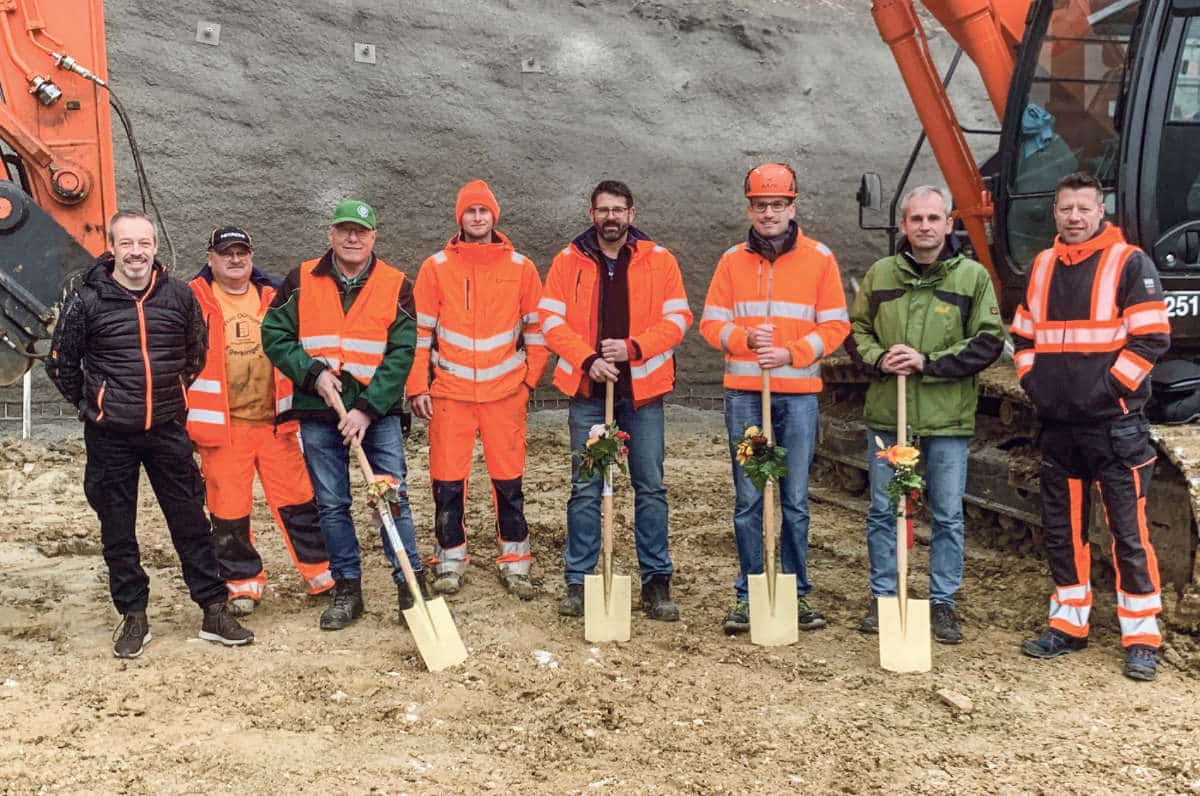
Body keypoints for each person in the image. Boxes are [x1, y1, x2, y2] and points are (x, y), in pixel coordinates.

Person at [46, 211, 254, 658]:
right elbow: (61, 362)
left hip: (166, 429)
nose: (136, 252)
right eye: (127, 244)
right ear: (113, 246)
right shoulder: (86, 299)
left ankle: (214, 609)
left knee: (192, 522)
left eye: (144, 243)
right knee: (117, 528)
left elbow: (195, 353)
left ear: (155, 246)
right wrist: (91, 404)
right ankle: (134, 614)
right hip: (110, 435)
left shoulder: (178, 296)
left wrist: (174, 392)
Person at [1011, 172, 1170, 681]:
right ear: (1054, 213)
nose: (1074, 217)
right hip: (1059, 426)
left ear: (1100, 211)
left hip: (1113, 427)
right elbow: (1023, 336)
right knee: (1063, 532)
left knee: (1129, 534)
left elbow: (1150, 341)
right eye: (1065, 209)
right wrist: (1037, 386)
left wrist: (1104, 394)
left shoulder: (1130, 263)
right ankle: (1068, 623)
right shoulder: (1041, 265)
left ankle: (1142, 635)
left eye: (1083, 208)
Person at [847, 186, 1004, 644]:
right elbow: (854, 331)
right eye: (916, 219)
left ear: (949, 223)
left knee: (949, 515)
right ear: (903, 225)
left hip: (947, 420)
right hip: (888, 418)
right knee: (883, 511)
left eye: (934, 218)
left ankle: (942, 603)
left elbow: (988, 341)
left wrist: (927, 363)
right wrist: (879, 358)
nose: (925, 227)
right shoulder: (880, 275)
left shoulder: (972, 278)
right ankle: (883, 596)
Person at [699, 163, 850, 635]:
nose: (769, 212)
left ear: (793, 205)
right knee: (748, 498)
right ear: (749, 207)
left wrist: (791, 351)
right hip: (746, 395)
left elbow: (836, 326)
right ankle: (748, 594)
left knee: (795, 499)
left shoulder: (819, 259)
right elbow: (710, 324)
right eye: (761, 205)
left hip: (798, 397)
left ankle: (796, 592)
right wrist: (746, 341)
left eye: (778, 204)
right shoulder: (731, 261)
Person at [262, 200, 425, 631]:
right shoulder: (301, 279)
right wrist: (311, 373)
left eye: (362, 231)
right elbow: (274, 334)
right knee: (332, 505)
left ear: (374, 237)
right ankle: (347, 589)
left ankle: (411, 587)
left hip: (379, 414)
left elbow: (402, 351)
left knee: (393, 498)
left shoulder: (396, 284)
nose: (353, 238)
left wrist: (367, 409)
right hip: (319, 411)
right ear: (330, 235)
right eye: (345, 230)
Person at [541, 179, 692, 621]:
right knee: (586, 489)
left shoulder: (659, 261)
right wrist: (588, 360)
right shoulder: (569, 261)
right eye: (603, 209)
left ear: (632, 213)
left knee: (650, 486)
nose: (611, 217)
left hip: (642, 394)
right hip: (590, 394)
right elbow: (550, 321)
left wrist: (634, 348)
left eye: (619, 209)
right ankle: (579, 581)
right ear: (592, 214)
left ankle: (656, 582)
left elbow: (678, 318)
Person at [406, 180, 549, 599]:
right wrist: (418, 387)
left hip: (505, 394)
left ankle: (516, 561)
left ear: (494, 217)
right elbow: (419, 334)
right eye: (470, 211)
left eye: (483, 211)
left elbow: (537, 332)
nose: (477, 218)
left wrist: (527, 382)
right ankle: (449, 559)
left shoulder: (521, 267)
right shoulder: (435, 268)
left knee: (509, 481)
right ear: (460, 218)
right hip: (450, 395)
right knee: (447, 481)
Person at [186, 225, 333, 616]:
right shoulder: (193, 299)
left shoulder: (274, 298)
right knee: (228, 511)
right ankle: (242, 584)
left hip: (275, 424)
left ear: (251, 256)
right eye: (226, 253)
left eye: (242, 252)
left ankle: (322, 574)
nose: (235, 260)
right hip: (223, 427)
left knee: (299, 502)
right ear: (210, 258)